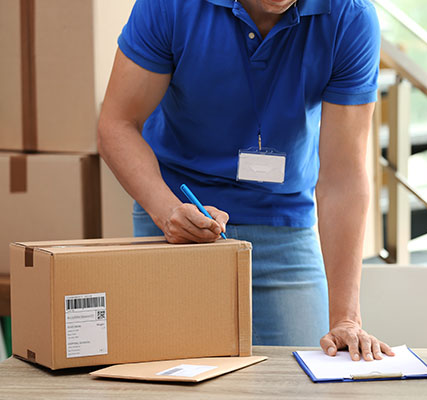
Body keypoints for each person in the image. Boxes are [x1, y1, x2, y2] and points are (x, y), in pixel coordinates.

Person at [98, 0, 394, 362]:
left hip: (283, 223)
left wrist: (346, 318)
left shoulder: (350, 15)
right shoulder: (170, 5)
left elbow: (343, 175)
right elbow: (117, 124)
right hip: (176, 218)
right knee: (169, 378)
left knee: (305, 377)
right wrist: (166, 211)